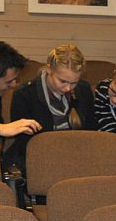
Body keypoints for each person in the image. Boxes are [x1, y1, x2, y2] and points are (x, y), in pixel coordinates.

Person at [5, 43, 96, 171]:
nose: (68, 88)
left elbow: (91, 131)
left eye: (74, 83)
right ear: (49, 70)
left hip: (77, 155)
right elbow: (23, 141)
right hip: (39, 158)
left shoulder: (83, 89)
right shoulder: (25, 93)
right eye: (62, 81)